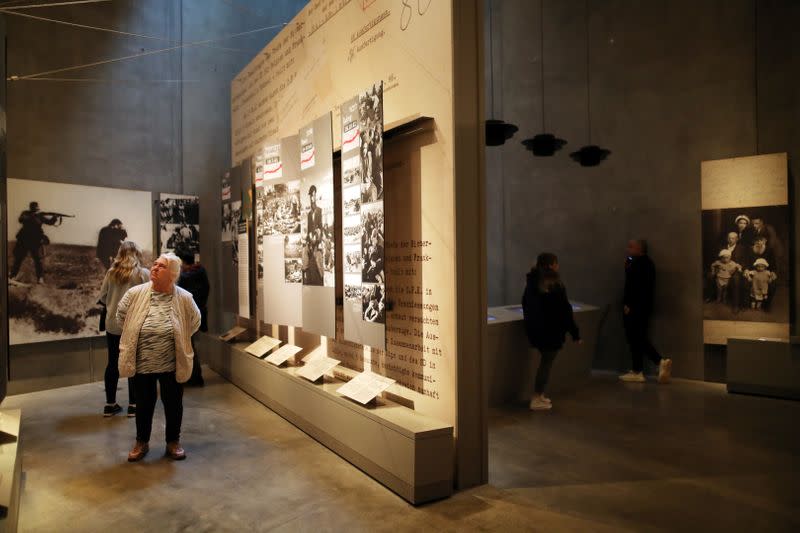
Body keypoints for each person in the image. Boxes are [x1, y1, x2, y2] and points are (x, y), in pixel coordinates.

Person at [116, 253, 200, 462]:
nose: (154, 268)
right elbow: (121, 318)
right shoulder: (135, 294)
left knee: (173, 403)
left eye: (160, 266)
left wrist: (179, 337)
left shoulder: (184, 298)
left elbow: (195, 321)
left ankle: (173, 442)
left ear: (171, 274)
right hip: (142, 361)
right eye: (154, 264)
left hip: (172, 362)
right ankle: (141, 442)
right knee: (144, 403)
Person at [521, 253, 581, 410]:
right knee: (546, 363)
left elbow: (525, 303)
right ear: (553, 265)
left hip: (536, 329)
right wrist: (575, 333)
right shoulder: (555, 283)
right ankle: (536, 397)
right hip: (551, 331)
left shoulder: (532, 281)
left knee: (546, 361)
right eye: (556, 263)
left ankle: (540, 395)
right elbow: (564, 310)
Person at [98, 242, 150, 417]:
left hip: (113, 325)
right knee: (133, 364)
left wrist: (114, 303)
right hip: (134, 324)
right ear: (136, 254)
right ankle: (134, 405)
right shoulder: (143, 274)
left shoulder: (111, 273)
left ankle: (110, 404)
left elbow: (103, 297)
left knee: (112, 363)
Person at [620, 240, 672, 383]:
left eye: (631, 247)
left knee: (636, 337)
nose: (628, 249)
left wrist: (629, 304)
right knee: (636, 337)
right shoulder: (646, 263)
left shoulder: (639, 264)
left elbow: (635, 286)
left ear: (639, 249)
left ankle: (659, 361)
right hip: (643, 307)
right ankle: (637, 370)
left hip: (635, 307)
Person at [176, 246, 209, 387]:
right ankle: (195, 376)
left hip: (186, 315)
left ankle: (193, 377)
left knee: (188, 347)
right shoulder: (201, 272)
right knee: (190, 346)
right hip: (198, 312)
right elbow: (206, 289)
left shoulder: (183, 277)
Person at [10, 201, 60, 284]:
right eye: (34, 208)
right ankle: (12, 276)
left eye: (35, 208)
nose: (35, 210)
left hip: (35, 241)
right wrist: (32, 216)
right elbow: (21, 219)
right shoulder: (25, 213)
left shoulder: (40, 216)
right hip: (24, 239)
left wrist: (54, 218)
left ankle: (40, 278)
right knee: (19, 258)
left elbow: (50, 222)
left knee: (38, 261)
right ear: (31, 208)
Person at [303, 185, 324, 286]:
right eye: (311, 195)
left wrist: (318, 235)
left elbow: (321, 227)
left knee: (319, 267)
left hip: (318, 244)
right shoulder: (308, 214)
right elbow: (308, 231)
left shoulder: (320, 210)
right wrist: (308, 239)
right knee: (311, 268)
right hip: (311, 245)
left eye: (314, 195)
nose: (312, 198)